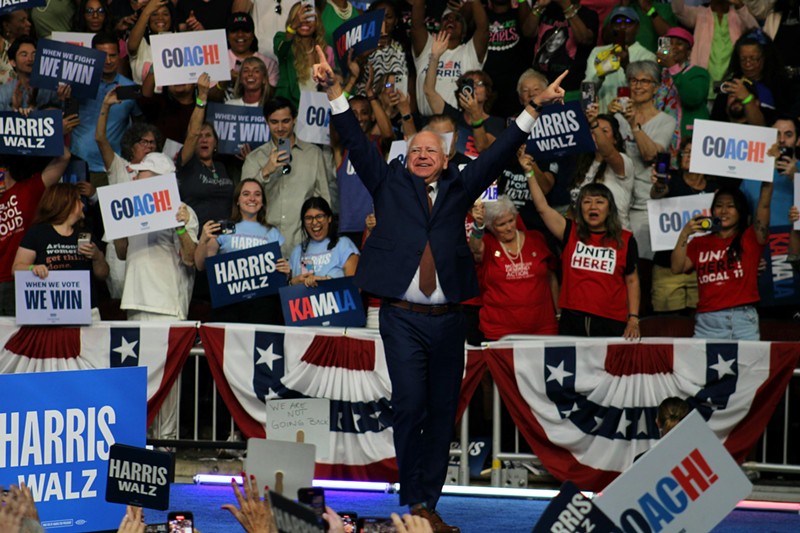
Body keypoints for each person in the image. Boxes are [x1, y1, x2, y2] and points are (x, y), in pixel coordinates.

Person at [314, 44, 568, 532]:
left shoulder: (460, 187)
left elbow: (495, 155)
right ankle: (413, 501)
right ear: (406, 159)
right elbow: (356, 139)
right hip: (402, 319)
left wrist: (532, 108)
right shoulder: (388, 184)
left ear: (447, 157)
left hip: (451, 320)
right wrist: (334, 92)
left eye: (432, 150)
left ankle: (427, 505)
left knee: (441, 410)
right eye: (416, 151)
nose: (423, 155)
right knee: (409, 405)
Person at [529, 173, 642, 339]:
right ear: (580, 208)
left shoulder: (625, 239)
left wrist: (633, 319)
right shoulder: (569, 232)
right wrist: (529, 173)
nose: (593, 207)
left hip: (611, 321)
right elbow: (542, 208)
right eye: (587, 202)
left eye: (600, 202)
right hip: (573, 320)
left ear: (609, 208)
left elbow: (632, 280)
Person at [670, 183, 773, 340]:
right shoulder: (699, 243)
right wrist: (685, 234)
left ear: (741, 211)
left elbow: (764, 206)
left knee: (750, 366)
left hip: (743, 321)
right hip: (707, 323)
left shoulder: (751, 238)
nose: (723, 211)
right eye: (718, 206)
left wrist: (767, 182)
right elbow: (677, 268)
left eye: (730, 206)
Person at [240, 97, 333, 257]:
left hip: (303, 245)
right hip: (263, 246)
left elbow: (324, 201)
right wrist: (266, 171)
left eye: (286, 121)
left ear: (295, 120)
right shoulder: (255, 158)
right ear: (266, 122)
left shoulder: (313, 154)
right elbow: (244, 203)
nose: (281, 127)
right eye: (274, 122)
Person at [195, 178, 290, 324]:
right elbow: (201, 265)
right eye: (246, 194)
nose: (252, 198)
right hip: (228, 306)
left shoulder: (272, 232)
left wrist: (286, 271)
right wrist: (202, 240)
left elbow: (278, 272)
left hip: (262, 306)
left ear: (263, 201)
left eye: (257, 194)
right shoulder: (223, 228)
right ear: (237, 200)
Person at [12, 184, 109, 319]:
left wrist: (97, 256)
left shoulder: (85, 234)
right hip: (49, 312)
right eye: (78, 200)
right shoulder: (38, 233)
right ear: (66, 203)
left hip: (85, 311)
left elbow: (103, 275)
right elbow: (16, 269)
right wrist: (32, 268)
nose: (82, 205)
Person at [468, 196, 559, 339]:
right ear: (491, 226)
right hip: (500, 332)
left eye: (511, 220)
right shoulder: (488, 244)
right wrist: (478, 226)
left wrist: (558, 313)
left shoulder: (536, 238)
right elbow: (475, 248)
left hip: (542, 329)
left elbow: (551, 277)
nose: (509, 227)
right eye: (501, 224)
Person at [649, 137, 719, 315]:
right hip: (667, 268)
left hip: (702, 270)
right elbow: (658, 193)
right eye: (685, 152)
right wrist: (659, 184)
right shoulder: (670, 180)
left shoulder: (715, 188)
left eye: (693, 152)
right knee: (668, 327)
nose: (688, 156)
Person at [0, 148, 72, 316]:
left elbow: (64, 158)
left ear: (5, 170)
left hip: (18, 279)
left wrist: (54, 131)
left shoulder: (28, 189)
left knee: (16, 340)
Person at [72, 32, 141, 188]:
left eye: (113, 55)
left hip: (111, 167)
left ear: (119, 56)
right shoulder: (77, 84)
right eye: (102, 56)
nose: (108, 61)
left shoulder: (129, 89)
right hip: (78, 164)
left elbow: (137, 128)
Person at [411, 0, 489, 116]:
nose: (451, 20)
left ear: (464, 33)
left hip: (461, 122)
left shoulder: (470, 51)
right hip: (428, 122)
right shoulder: (427, 47)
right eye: (446, 18)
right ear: (439, 26)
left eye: (457, 19)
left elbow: (483, 28)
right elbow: (416, 25)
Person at [570, 108, 634, 229]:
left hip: (615, 237)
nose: (597, 135)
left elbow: (608, 153)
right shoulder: (583, 164)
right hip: (585, 240)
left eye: (604, 131)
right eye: (592, 132)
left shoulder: (624, 162)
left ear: (615, 139)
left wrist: (594, 123)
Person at [655, 27, 710, 157]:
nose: (673, 47)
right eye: (670, 43)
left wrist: (673, 67)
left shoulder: (698, 73)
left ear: (688, 52)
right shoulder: (658, 74)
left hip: (686, 140)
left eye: (679, 44)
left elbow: (693, 99)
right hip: (660, 138)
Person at [288, 197, 359, 287]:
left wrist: (325, 282)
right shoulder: (297, 251)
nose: (314, 222)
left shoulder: (343, 244)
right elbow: (285, 294)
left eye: (319, 216)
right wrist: (292, 283)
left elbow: (356, 288)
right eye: (308, 218)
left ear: (329, 218)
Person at [274, 2, 333, 109]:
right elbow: (280, 50)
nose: (304, 22)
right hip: (289, 110)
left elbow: (331, 85)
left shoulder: (326, 51)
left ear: (317, 22)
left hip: (316, 114)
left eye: (309, 18)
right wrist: (293, 27)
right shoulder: (284, 41)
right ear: (293, 20)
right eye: (300, 18)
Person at [127, 0, 178, 84]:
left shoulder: (180, 42)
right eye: (154, 14)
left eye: (165, 14)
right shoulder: (141, 43)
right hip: (141, 96)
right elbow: (132, 47)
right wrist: (147, 11)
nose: (160, 18)